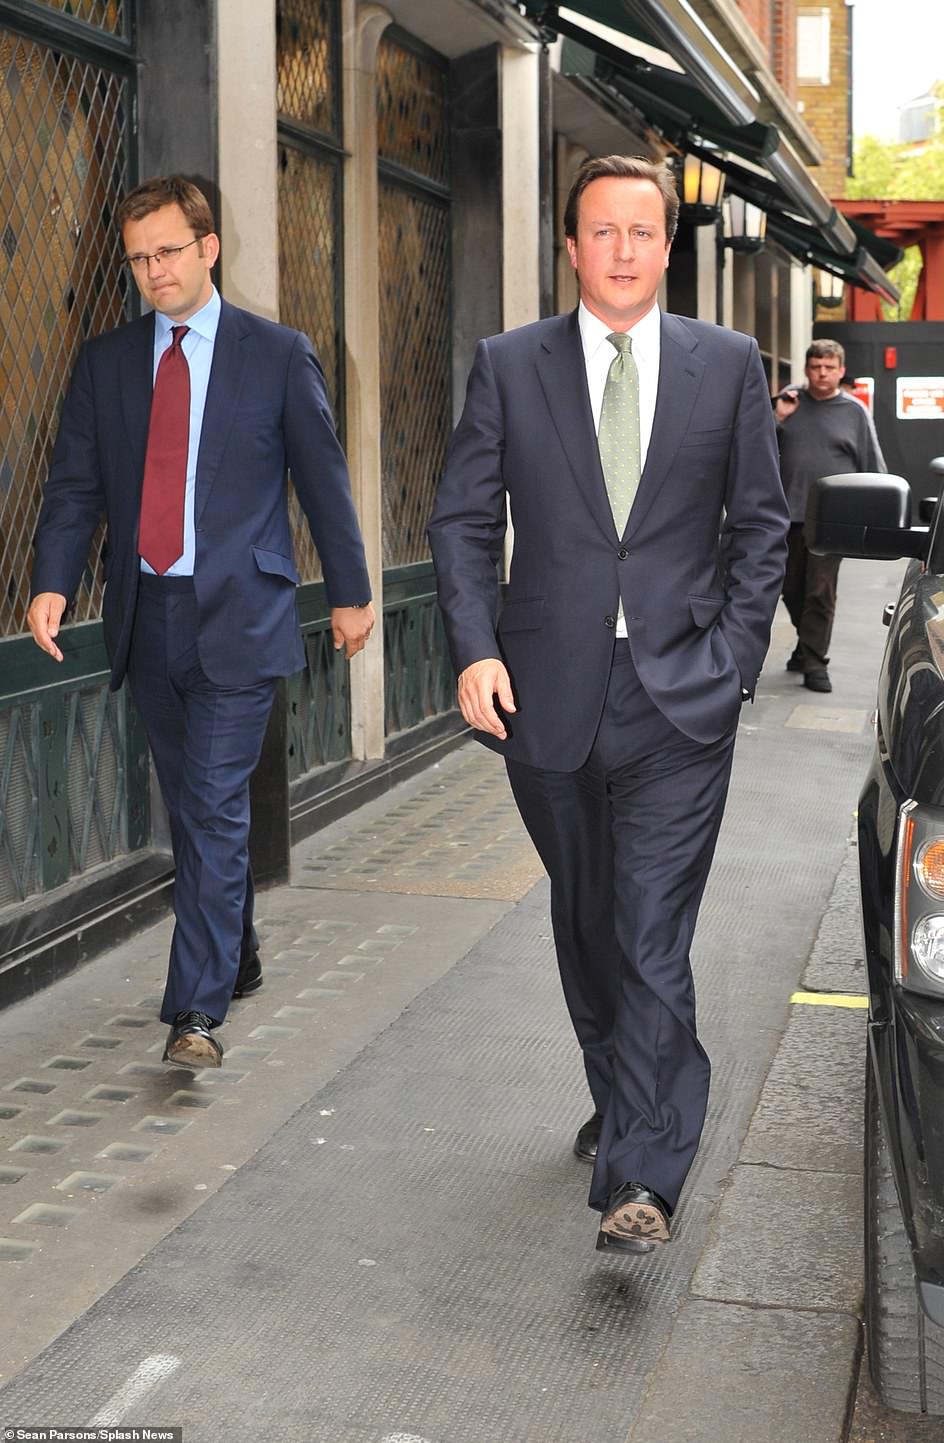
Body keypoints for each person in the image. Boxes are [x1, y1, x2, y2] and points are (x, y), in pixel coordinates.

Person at [428, 155, 788, 1257]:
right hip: (543, 698)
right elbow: (460, 520)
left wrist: (731, 660)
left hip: (679, 698)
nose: (623, 250)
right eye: (602, 231)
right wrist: (475, 650)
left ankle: (643, 1172)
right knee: (588, 919)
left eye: (642, 232)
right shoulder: (507, 365)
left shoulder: (724, 366)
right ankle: (621, 1095)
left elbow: (760, 526)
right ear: (571, 248)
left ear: (663, 249)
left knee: (647, 933)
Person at [28, 175, 374, 1070]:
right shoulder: (108, 363)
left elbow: (323, 482)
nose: (153, 271)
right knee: (194, 810)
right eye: (139, 258)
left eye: (168, 252)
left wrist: (350, 591)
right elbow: (73, 485)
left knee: (216, 807)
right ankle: (239, 951)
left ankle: (195, 1012)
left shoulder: (276, 353)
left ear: (208, 248)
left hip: (241, 616)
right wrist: (53, 581)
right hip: (148, 617)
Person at [774, 339, 886, 693]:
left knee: (819, 592)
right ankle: (806, 646)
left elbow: (872, 465)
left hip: (831, 519)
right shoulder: (788, 403)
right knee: (789, 589)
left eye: (829, 367)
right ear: (806, 369)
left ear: (840, 370)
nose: (822, 373)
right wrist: (777, 417)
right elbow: (754, 447)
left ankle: (814, 663)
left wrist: (877, 515)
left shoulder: (854, 411)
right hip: (785, 515)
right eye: (815, 366)